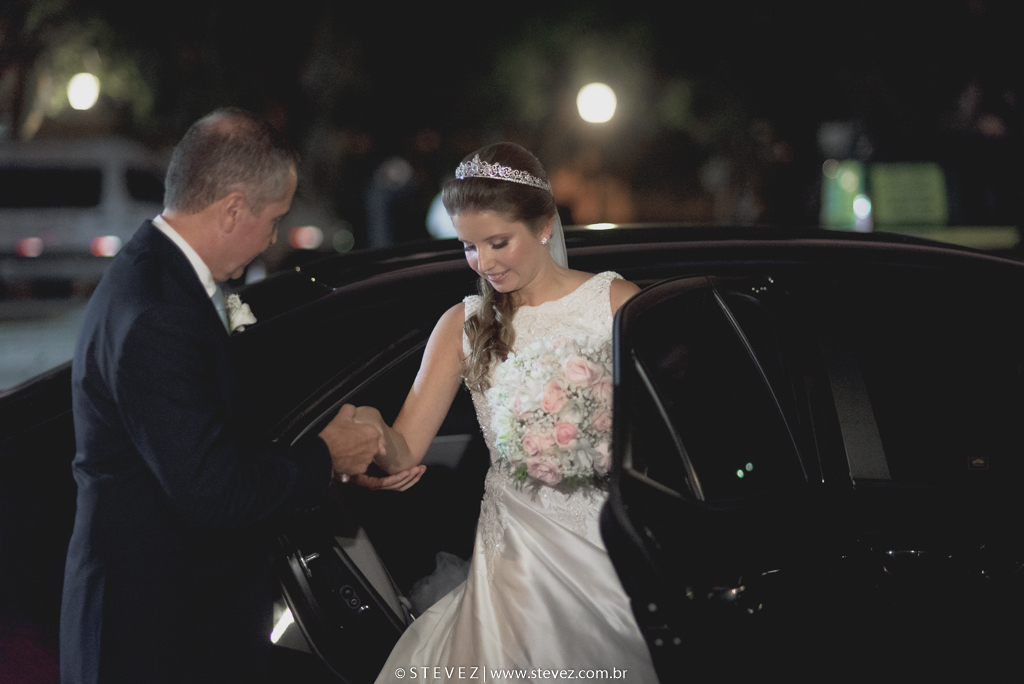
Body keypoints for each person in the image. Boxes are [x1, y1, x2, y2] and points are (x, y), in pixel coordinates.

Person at [60, 108, 383, 683]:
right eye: (274, 218)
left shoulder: (156, 276)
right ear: (234, 209)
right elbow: (213, 494)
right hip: (153, 635)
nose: (274, 238)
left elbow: (212, 430)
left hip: (174, 621)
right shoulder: (159, 313)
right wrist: (326, 456)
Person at [353, 143, 658, 682]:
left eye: (498, 243)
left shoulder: (613, 304)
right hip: (516, 557)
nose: (484, 263)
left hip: (610, 542)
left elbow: (660, 433)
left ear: (544, 226)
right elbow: (405, 449)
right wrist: (370, 433)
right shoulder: (462, 324)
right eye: (468, 247)